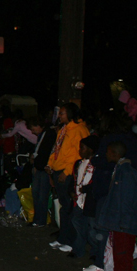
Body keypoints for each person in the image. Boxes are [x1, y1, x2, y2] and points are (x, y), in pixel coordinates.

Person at [94, 142, 137, 271]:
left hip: (123, 220)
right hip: (121, 219)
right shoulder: (121, 169)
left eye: (109, 152)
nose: (106, 155)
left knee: (122, 252)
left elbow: (127, 200)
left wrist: (123, 222)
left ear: (115, 153)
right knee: (121, 252)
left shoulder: (126, 172)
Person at [47, 103, 90, 252]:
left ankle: (71, 241)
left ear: (71, 114)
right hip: (58, 171)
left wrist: (66, 172)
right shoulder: (64, 129)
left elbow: (78, 154)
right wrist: (50, 165)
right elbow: (56, 149)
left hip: (68, 173)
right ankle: (63, 238)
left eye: (63, 113)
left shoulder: (78, 130)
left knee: (69, 209)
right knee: (64, 208)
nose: (60, 116)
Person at [69, 135, 99, 261]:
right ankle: (78, 249)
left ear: (91, 150)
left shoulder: (96, 165)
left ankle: (95, 252)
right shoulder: (79, 163)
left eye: (83, 148)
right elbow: (74, 179)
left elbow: (97, 184)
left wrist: (86, 189)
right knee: (78, 225)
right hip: (78, 200)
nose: (80, 150)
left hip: (90, 202)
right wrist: (71, 191)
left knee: (93, 229)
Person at [28, 116, 55, 227]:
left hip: (45, 168)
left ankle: (40, 220)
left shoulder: (50, 134)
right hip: (40, 167)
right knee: (36, 193)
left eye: (33, 129)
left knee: (42, 195)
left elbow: (46, 152)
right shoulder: (44, 134)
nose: (33, 132)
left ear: (39, 126)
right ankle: (37, 219)